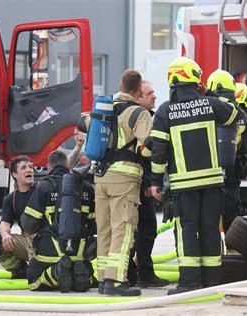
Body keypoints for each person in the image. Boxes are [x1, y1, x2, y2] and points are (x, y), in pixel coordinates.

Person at [149, 57, 239, 294]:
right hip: (211, 184)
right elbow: (233, 115)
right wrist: (215, 94)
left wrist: (155, 182)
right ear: (195, 80)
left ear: (173, 81)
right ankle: (211, 282)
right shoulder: (209, 104)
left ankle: (189, 283)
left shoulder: (165, 112)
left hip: (183, 186)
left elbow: (158, 151)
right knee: (210, 229)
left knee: (187, 230)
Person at [95, 69, 152, 296]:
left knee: (105, 229)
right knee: (124, 228)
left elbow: (84, 127)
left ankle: (102, 280)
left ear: (120, 85)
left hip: (100, 178)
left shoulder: (102, 109)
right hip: (125, 179)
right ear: (138, 90)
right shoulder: (139, 113)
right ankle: (116, 281)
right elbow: (147, 148)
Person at [21, 151, 96, 293]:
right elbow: (95, 226)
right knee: (90, 275)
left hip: (51, 251)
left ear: (49, 167)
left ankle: (57, 272)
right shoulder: (86, 188)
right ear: (68, 165)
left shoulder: (43, 186)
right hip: (80, 251)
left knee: (33, 278)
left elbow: (29, 225)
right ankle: (81, 274)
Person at [206, 70, 247, 233]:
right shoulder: (242, 116)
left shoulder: (206, 109)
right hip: (231, 178)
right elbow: (246, 151)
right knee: (232, 226)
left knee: (208, 223)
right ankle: (233, 254)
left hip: (207, 176)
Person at [133, 81, 169, 288]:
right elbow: (142, 155)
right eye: (149, 93)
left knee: (144, 229)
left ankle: (138, 271)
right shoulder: (141, 119)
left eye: (154, 92)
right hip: (136, 185)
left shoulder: (148, 118)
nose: (154, 96)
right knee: (145, 229)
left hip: (138, 183)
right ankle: (143, 274)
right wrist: (148, 184)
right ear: (137, 97)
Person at [0, 155, 35, 279]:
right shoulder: (11, 199)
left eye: (30, 167)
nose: (29, 170)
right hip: (26, 241)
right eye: (24, 168)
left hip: (45, 241)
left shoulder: (42, 190)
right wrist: (5, 235)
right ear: (14, 174)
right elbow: (5, 224)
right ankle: (20, 270)